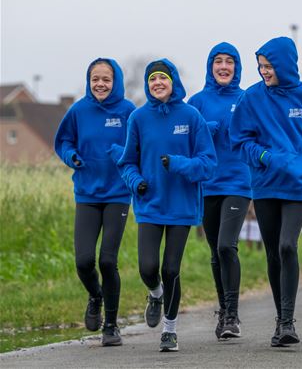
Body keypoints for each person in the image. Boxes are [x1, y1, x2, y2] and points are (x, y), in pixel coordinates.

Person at [230, 36, 302, 347]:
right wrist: (265, 157)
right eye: (261, 66)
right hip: (265, 186)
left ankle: (288, 321)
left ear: (285, 65)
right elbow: (239, 141)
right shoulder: (251, 99)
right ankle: (281, 320)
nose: (264, 72)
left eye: (269, 66)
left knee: (288, 246)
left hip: (298, 185)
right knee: (273, 252)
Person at [117, 59, 217, 352]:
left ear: (173, 81)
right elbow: (126, 163)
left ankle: (170, 330)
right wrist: (136, 182)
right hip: (149, 203)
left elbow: (208, 164)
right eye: (152, 80)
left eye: (162, 78)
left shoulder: (192, 116)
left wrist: (178, 164)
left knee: (171, 268)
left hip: (181, 206)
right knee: (148, 268)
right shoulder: (137, 118)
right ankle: (155, 293)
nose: (157, 83)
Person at [54, 58, 136, 346]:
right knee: (84, 261)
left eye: (106, 79)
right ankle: (95, 296)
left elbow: (140, 143)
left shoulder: (128, 111)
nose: (100, 84)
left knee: (108, 260)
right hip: (87, 194)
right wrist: (71, 157)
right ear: (89, 82)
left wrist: (126, 158)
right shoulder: (78, 110)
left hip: (117, 194)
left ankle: (111, 326)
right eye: (95, 79)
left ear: (116, 82)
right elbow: (63, 141)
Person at [187, 42, 251, 340]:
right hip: (208, 184)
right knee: (215, 252)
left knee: (227, 245)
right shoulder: (196, 103)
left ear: (237, 67)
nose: (224, 67)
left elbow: (258, 135)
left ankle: (233, 314)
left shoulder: (247, 99)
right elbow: (184, 142)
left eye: (230, 62)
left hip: (238, 182)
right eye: (218, 62)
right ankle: (223, 313)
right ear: (210, 67)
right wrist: (203, 133)